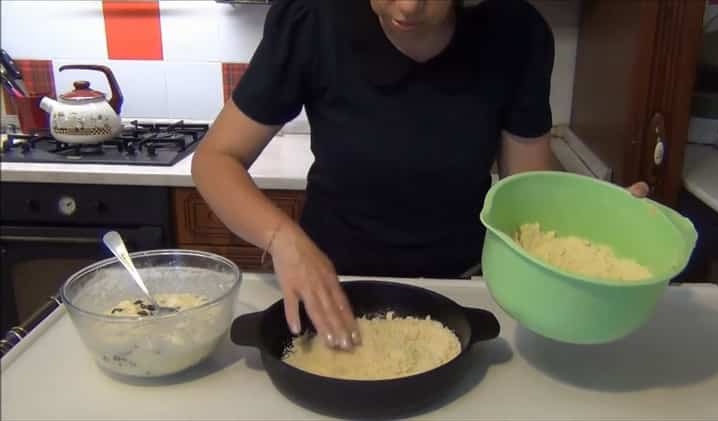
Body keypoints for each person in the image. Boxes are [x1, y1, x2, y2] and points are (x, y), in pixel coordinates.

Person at [192, 0, 648, 351]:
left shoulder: (516, 32)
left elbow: (525, 199)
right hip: (331, 285)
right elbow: (215, 159)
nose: (408, 7)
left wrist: (592, 225)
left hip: (464, 292)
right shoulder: (312, 19)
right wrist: (283, 240)